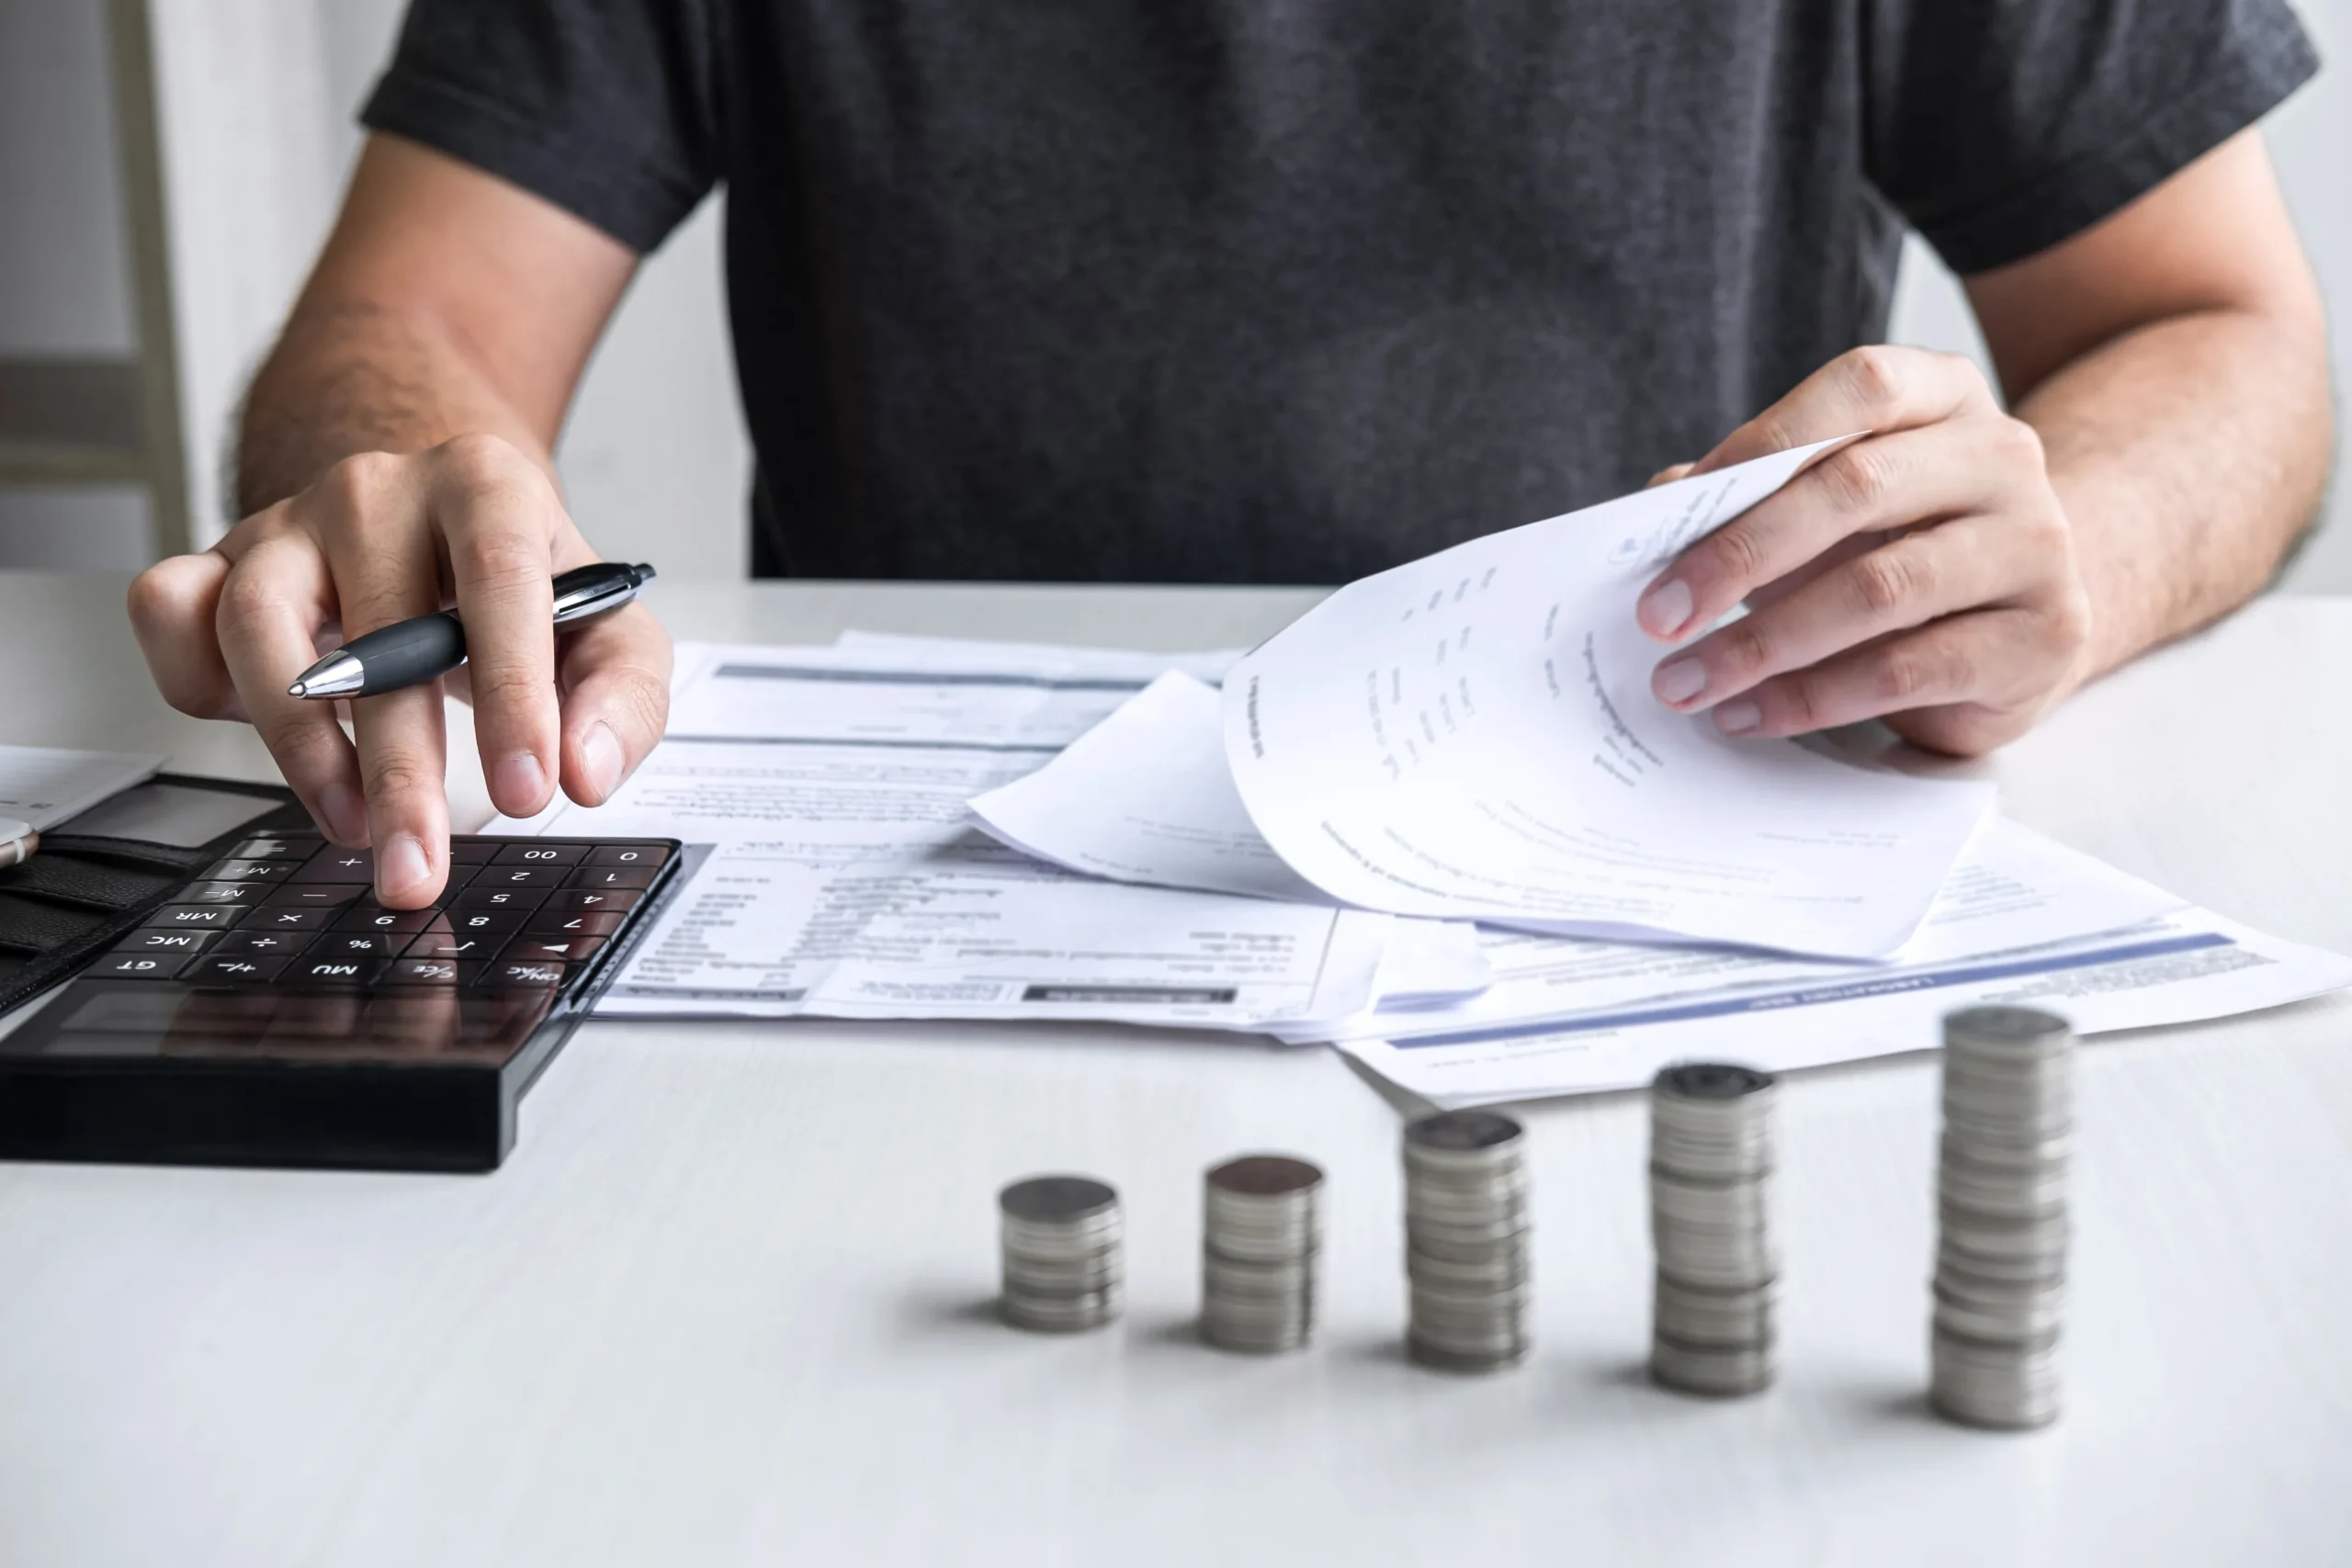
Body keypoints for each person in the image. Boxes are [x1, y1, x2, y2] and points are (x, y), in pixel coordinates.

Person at [128, 0, 2334, 908]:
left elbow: (2212, 328)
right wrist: (403, 467)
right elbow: (402, 327)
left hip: (1663, 884)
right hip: (922, 889)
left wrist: (2078, 547)